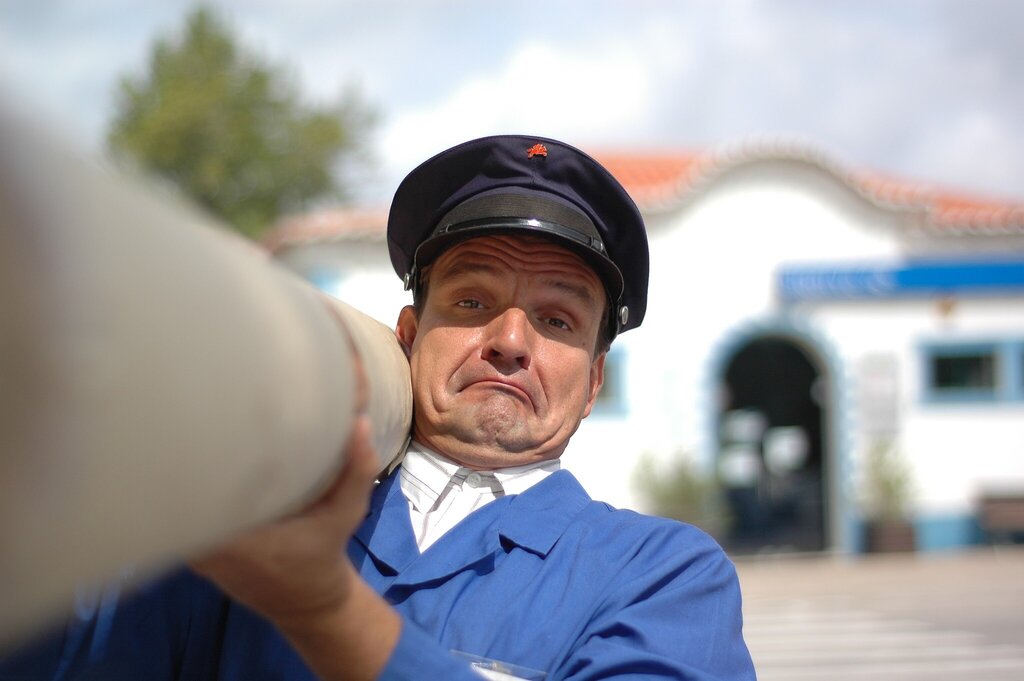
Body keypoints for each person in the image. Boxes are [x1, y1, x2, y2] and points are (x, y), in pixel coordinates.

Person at [0, 136, 755, 680]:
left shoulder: (664, 578)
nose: (511, 340)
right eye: (472, 300)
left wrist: (322, 606)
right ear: (407, 334)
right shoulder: (254, 508)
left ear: (593, 383)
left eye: (558, 320)